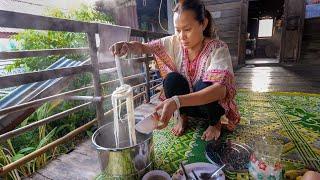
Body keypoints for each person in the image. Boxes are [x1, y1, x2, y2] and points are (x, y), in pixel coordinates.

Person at [110, 0, 240, 141]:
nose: (181, 36)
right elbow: (143, 47)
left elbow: (220, 90)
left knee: (206, 84)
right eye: (178, 30)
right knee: (171, 79)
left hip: (210, 108)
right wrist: (127, 46)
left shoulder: (218, 48)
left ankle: (215, 124)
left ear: (203, 24)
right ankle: (183, 119)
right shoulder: (174, 42)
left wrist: (177, 101)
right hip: (186, 106)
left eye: (187, 29)